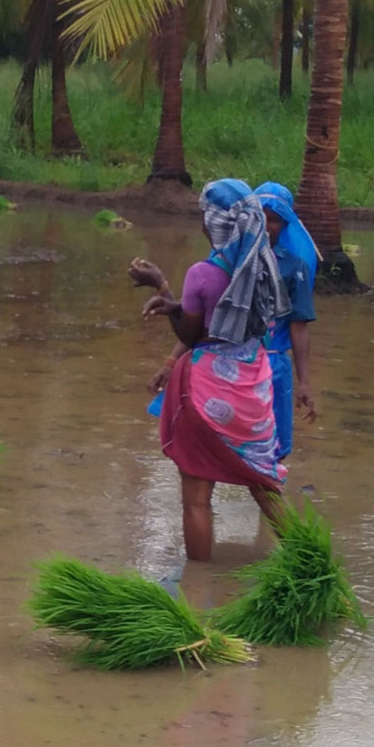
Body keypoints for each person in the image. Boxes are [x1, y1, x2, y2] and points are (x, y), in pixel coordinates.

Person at [129, 178, 288, 562]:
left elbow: (193, 332)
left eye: (204, 215)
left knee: (196, 499)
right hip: (254, 387)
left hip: (208, 390)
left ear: (214, 222)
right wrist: (172, 302)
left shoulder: (203, 274)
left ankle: (197, 587)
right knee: (264, 482)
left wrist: (162, 288)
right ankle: (308, 557)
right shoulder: (265, 267)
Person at [253, 181, 319, 457]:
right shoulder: (231, 259)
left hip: (274, 364)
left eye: (275, 221)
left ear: (285, 224)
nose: (268, 226)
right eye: (261, 218)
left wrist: (303, 381)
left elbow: (298, 326)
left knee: (275, 445)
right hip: (234, 360)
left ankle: (268, 495)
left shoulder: (294, 267)